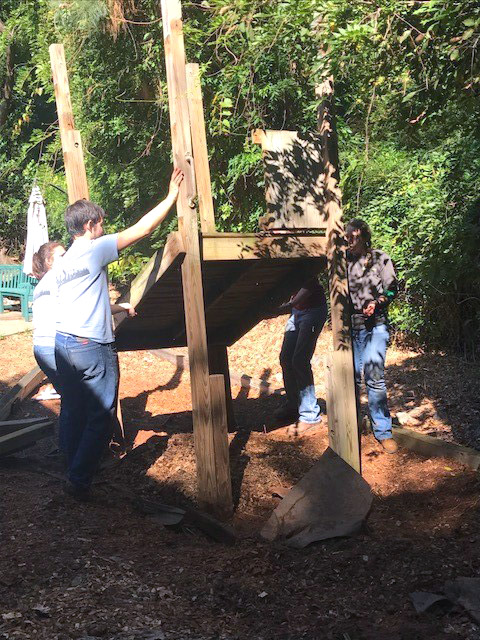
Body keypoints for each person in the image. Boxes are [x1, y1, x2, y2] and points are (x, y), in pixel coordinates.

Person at [54, 167, 184, 499]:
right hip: (90, 346)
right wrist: (171, 195)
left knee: (72, 407)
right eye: (100, 223)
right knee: (101, 415)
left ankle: (72, 467)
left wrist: (118, 307)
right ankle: (80, 481)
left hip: (63, 343)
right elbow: (142, 229)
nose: (104, 228)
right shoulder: (93, 248)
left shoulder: (65, 260)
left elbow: (80, 300)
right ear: (88, 227)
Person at [31, 241, 135, 453]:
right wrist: (122, 307)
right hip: (56, 345)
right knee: (85, 403)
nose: (67, 257)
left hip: (41, 348)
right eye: (61, 255)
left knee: (71, 401)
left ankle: (71, 453)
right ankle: (86, 456)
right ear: (49, 262)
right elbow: (92, 305)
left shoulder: (42, 284)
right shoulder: (61, 277)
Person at [345, 218, 398, 454]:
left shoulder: (379, 258)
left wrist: (378, 302)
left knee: (374, 377)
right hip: (352, 327)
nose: (350, 241)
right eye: (347, 236)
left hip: (376, 324)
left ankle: (383, 431)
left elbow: (392, 288)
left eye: (354, 236)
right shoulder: (342, 261)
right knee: (353, 378)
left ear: (364, 237)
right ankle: (352, 425)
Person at [275, 267, 328, 436]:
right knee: (285, 358)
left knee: (299, 360)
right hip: (297, 312)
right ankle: (293, 404)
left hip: (313, 311)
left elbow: (308, 286)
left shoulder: (304, 263)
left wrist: (288, 305)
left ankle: (310, 415)